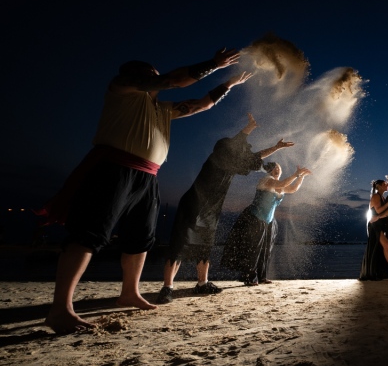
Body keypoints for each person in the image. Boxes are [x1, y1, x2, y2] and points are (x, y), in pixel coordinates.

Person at [40, 48, 247, 334]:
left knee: (141, 238)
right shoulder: (122, 88)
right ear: (133, 75)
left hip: (148, 177)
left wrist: (228, 84)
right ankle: (60, 309)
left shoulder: (162, 110)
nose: (155, 76)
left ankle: (129, 292)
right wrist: (214, 64)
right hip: (113, 169)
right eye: (149, 73)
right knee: (89, 234)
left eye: (155, 72)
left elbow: (201, 105)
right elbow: (175, 80)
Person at [158, 113, 295, 303]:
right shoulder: (220, 154)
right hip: (194, 203)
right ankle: (167, 288)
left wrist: (277, 147)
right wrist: (249, 128)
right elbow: (237, 144)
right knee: (179, 245)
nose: (245, 152)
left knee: (205, 246)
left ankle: (202, 283)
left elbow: (256, 157)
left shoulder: (234, 163)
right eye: (242, 149)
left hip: (211, 210)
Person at [221, 163, 311, 285]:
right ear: (269, 171)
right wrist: (296, 174)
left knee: (265, 250)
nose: (277, 170)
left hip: (269, 221)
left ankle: (262, 277)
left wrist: (301, 177)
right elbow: (283, 184)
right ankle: (249, 278)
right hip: (255, 218)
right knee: (254, 248)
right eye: (274, 168)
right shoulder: (266, 180)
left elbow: (293, 189)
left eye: (279, 168)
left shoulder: (280, 185)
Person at [359, 179, 388, 280]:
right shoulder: (375, 196)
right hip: (375, 224)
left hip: (379, 223)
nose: (387, 184)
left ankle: (382, 272)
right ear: (380, 186)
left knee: (380, 247)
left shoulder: (381, 196)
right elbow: (378, 210)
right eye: (385, 184)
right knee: (386, 244)